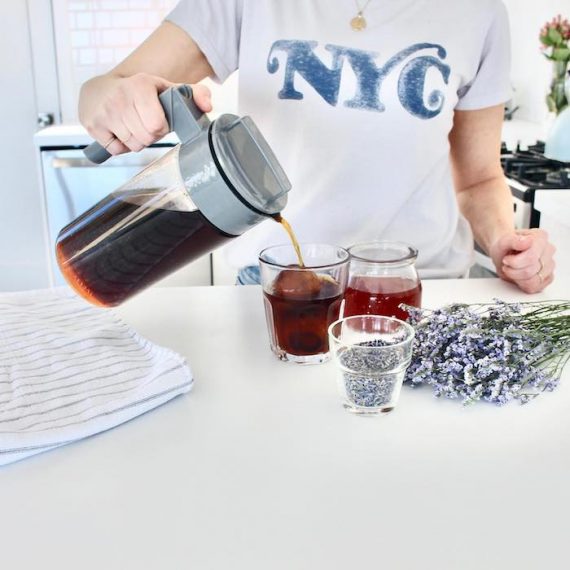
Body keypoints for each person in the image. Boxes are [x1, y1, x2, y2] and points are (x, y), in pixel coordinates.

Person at [78, 0, 556, 294]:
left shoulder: (480, 12)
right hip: (275, 285)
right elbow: (102, 90)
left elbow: (479, 178)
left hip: (421, 286)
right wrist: (114, 99)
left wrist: (501, 243)